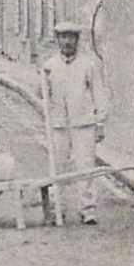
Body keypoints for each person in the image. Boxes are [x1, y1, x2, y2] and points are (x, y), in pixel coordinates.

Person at [40, 20, 109, 225]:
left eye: (71, 37)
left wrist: (100, 122)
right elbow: (42, 95)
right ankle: (56, 208)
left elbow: (99, 94)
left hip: (83, 123)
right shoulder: (49, 66)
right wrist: (42, 83)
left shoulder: (88, 64)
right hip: (58, 124)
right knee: (57, 166)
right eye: (63, 37)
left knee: (85, 167)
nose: (67, 42)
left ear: (77, 40)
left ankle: (87, 209)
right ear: (58, 40)